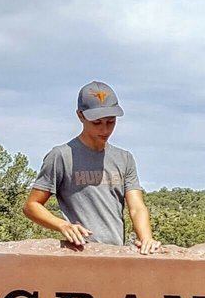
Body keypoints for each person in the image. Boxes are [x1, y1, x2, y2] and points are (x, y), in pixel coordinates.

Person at [23, 81, 162, 255]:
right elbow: (31, 205)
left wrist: (146, 239)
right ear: (80, 115)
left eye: (111, 122)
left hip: (115, 254)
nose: (105, 129)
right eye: (97, 123)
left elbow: (136, 207)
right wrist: (63, 225)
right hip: (79, 255)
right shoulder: (61, 156)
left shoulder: (124, 158)